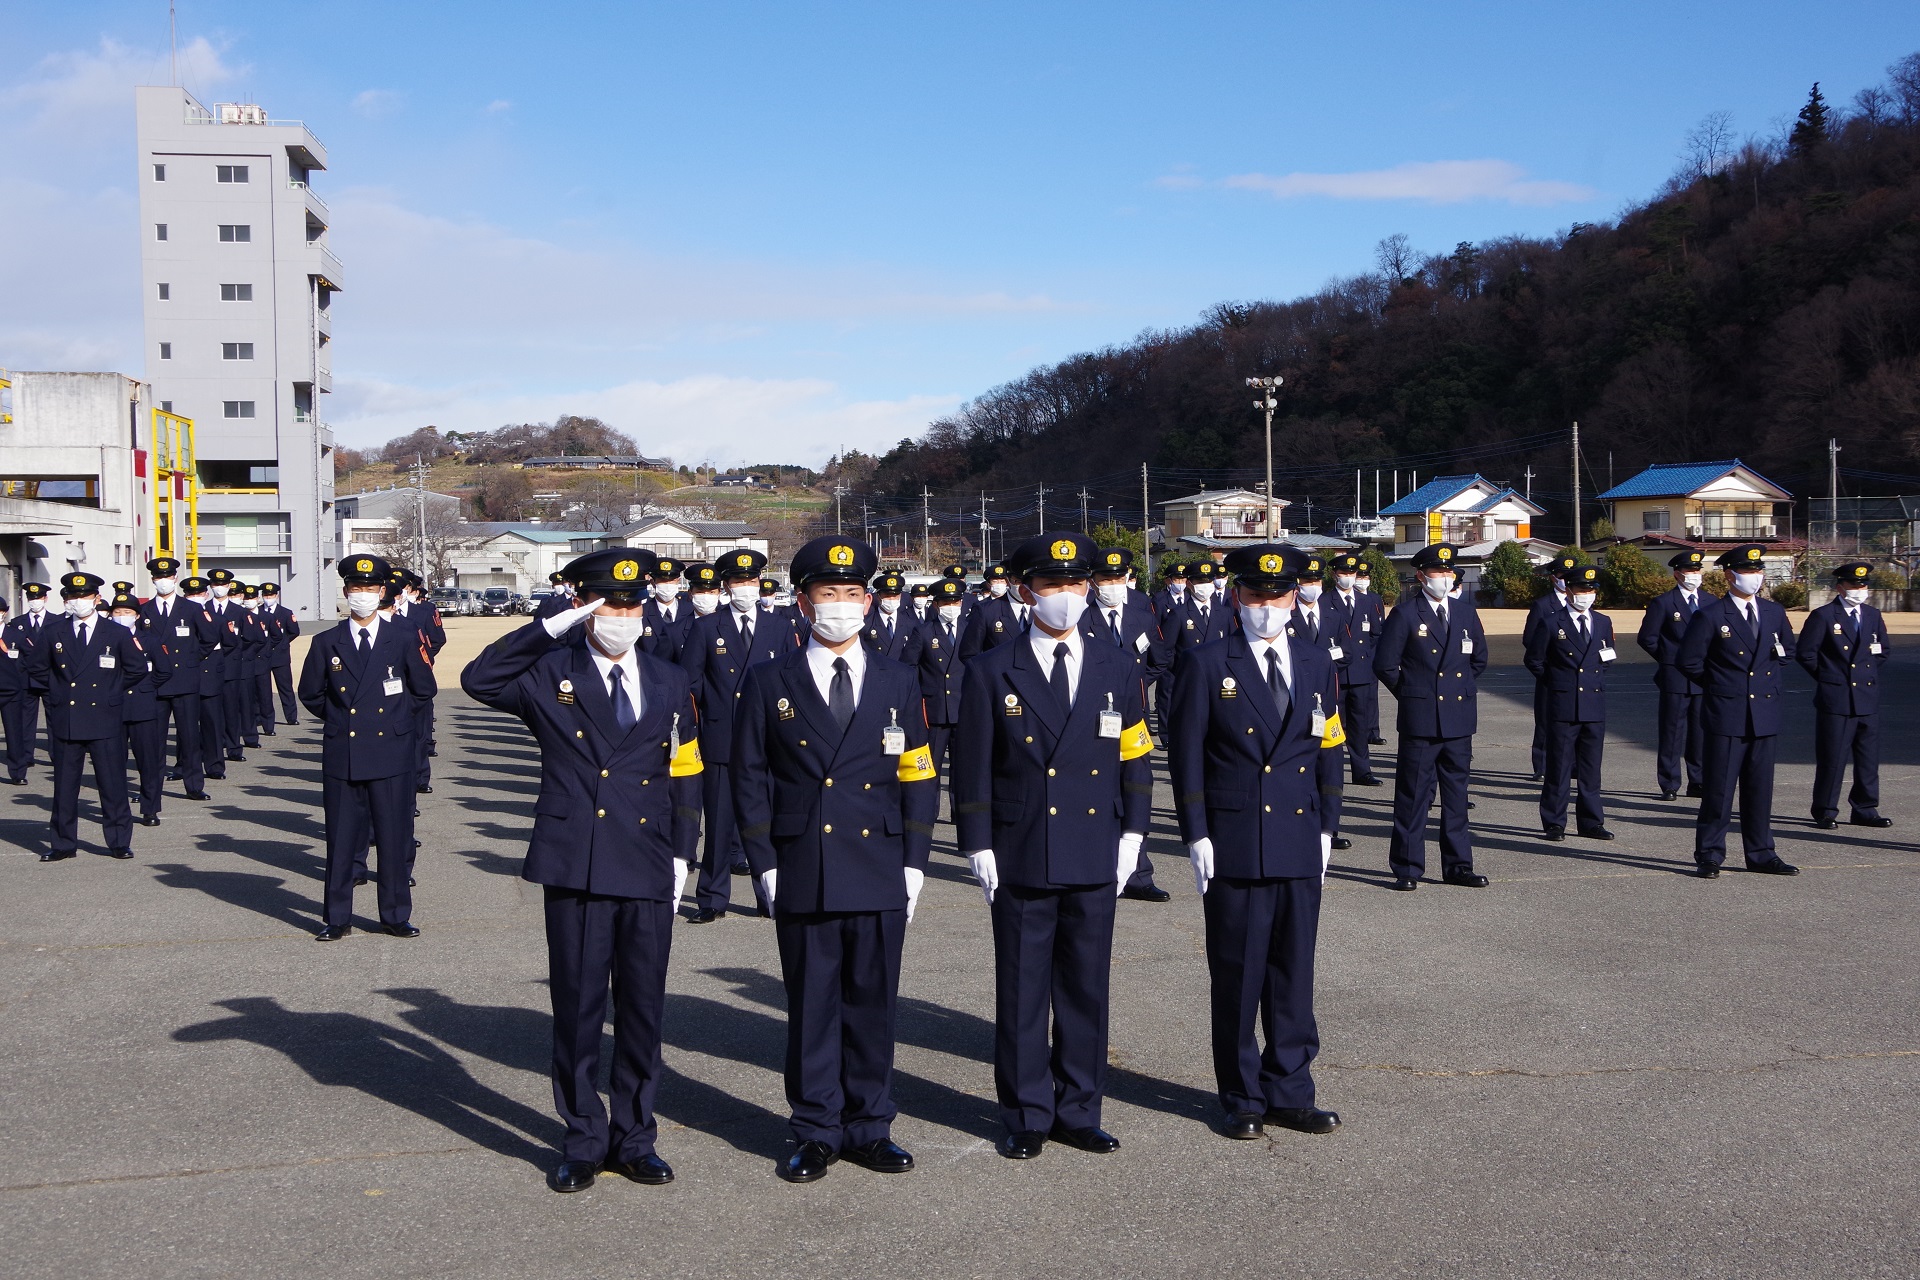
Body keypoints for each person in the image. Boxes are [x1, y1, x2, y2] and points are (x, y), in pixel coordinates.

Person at [461, 546, 703, 1193]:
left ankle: (635, 1137)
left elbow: (686, 769)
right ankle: (582, 1135)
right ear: (586, 607)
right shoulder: (550, 674)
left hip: (650, 863)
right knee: (577, 1009)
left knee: (644, 1010)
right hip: (579, 866)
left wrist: (684, 852)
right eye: (608, 603)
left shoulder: (670, 678)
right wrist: (549, 627)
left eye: (631, 603)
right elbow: (478, 679)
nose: (622, 614)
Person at [731, 536, 939, 1183]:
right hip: (804, 864)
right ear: (803, 602)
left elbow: (919, 773)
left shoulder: (899, 679)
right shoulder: (770, 681)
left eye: (853, 594)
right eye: (829, 594)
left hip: (879, 862)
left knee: (874, 1004)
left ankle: (871, 1126)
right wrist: (762, 860)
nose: (842, 605)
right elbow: (749, 774)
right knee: (813, 1004)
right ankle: (816, 1129)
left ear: (870, 602)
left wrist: (916, 859)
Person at [953, 533, 1153, 1159]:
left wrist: (1134, 834)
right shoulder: (992, 669)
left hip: (1094, 842)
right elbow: (971, 767)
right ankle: (1025, 1111)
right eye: (1051, 585)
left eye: (1076, 584)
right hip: (1022, 845)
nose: (1066, 596)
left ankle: (1079, 1108)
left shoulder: (1116, 665)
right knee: (1022, 987)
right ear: (1023, 591)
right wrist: (977, 843)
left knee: (1086, 987)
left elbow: (1135, 757)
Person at [1168, 545, 1345, 1141]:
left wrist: (1327, 826)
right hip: (1235, 836)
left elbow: (1328, 750)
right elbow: (1186, 755)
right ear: (1236, 597)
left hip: (1297, 835)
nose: (1267, 607)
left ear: (1296, 596)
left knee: (1294, 971)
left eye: (1279, 595)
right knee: (1239, 973)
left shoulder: (1318, 663)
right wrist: (1196, 833)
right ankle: (1242, 1095)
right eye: (1255, 595)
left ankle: (1291, 1089)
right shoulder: (1206, 661)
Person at [297, 555, 437, 939]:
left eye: (369, 589)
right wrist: (344, 719)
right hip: (344, 751)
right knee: (341, 841)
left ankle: (394, 914)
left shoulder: (403, 637)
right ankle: (337, 917)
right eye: (355, 589)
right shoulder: (327, 642)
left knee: (394, 838)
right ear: (346, 593)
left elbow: (424, 689)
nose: (362, 595)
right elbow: (309, 692)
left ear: (381, 593)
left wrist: (393, 721)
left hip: (390, 752)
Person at [678, 547, 804, 922]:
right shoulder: (706, 628)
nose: (745, 588)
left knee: (769, 822)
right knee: (718, 826)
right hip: (721, 739)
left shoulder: (780, 626)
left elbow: (792, 681)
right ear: (726, 586)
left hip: (768, 741)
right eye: (738, 581)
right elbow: (690, 684)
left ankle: (772, 896)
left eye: (751, 581)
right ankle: (712, 899)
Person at [1677, 544, 1798, 878]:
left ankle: (1761, 853)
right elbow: (1689, 661)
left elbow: (1786, 651)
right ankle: (1710, 854)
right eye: (1748, 571)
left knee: (1759, 790)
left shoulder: (1773, 612)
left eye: (1758, 571)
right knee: (1719, 789)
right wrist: (1720, 685)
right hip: (1727, 713)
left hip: (1765, 714)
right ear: (1730, 575)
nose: (1755, 577)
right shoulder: (1712, 615)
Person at [1374, 544, 1490, 891]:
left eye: (1449, 572)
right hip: (1421, 719)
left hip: (1457, 719)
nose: (1444, 577)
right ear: (1422, 576)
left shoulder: (1466, 613)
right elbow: (1385, 664)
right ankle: (1408, 867)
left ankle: (1458, 865)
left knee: (1456, 797)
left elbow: (1478, 660)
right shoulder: (1406, 614)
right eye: (1438, 572)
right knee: (1413, 796)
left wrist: (1458, 694)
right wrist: (1414, 695)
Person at [26, 572, 149, 861]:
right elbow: (37, 668)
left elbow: (136, 669)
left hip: (104, 717)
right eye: (71, 596)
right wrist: (57, 693)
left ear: (96, 598)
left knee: (112, 783)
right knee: (65, 786)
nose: (77, 601)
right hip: (67, 716)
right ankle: (63, 843)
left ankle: (119, 840)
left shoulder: (115, 632)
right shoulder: (54, 631)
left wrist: (110, 693)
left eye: (83, 596)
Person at [1082, 547, 1169, 899]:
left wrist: (1132, 686)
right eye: (1106, 579)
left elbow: (1159, 659)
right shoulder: (1081, 617)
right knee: (1092, 791)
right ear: (1093, 582)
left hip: (1133, 718)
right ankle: (1094, 868)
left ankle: (1138, 874)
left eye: (1119, 578)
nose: (1113, 585)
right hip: (1090, 718)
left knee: (1136, 788)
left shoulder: (1142, 616)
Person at [1796, 561, 1891, 831]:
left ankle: (1865, 808)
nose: (1860, 589)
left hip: (1867, 697)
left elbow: (1882, 651)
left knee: (1867, 758)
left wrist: (1864, 677)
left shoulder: (1872, 614)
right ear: (1840, 587)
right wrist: (1830, 678)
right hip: (1836, 697)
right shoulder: (1824, 616)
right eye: (1854, 585)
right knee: (1833, 757)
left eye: (1863, 585)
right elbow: (1806, 653)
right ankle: (1825, 809)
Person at [1524, 564, 1616, 841]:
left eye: (1590, 590)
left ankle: (1591, 822)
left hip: (1593, 703)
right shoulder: (1552, 622)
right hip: (1563, 704)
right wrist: (1558, 683)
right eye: (1580, 589)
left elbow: (1608, 657)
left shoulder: (1602, 622)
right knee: (1559, 766)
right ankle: (1554, 821)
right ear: (1569, 590)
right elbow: (1534, 660)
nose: (1586, 594)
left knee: (1590, 768)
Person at [1637, 550, 1708, 801]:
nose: (1695, 575)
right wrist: (1669, 658)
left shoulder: (1711, 602)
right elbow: (1647, 638)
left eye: (1698, 570)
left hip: (1702, 678)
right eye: (1690, 571)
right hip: (1675, 676)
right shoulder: (1664, 603)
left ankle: (1698, 780)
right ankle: (1669, 782)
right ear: (1678, 574)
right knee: (1672, 732)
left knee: (1700, 733)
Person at [109, 591, 171, 827]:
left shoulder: (150, 641)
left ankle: (150, 808)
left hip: (143, 706)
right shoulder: (107, 639)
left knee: (148, 760)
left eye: (127, 613)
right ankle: (117, 808)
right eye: (117, 612)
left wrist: (147, 688)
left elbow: (164, 671)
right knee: (114, 760)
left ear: (136, 616)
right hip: (114, 705)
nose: (122, 616)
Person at [1322, 553, 1384, 787]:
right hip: (1335, 673)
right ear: (1334, 574)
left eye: (1352, 573)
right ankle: (1332, 772)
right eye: (1344, 573)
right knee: (1334, 725)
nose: (1349, 577)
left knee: (1360, 725)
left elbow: (1376, 633)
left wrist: (1368, 660)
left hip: (1361, 673)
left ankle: (1362, 770)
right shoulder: (1324, 601)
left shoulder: (1367, 601)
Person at [1520, 555, 1577, 782]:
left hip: (1575, 674)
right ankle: (1541, 765)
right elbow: (1530, 639)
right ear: (1553, 578)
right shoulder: (1543, 605)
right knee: (1545, 720)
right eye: (1563, 576)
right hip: (1551, 670)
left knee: (1575, 720)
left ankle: (1572, 765)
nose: (1566, 581)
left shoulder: (1580, 601)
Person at [915, 578, 969, 797]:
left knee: (963, 769)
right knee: (932, 769)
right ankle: (929, 813)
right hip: (935, 710)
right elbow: (910, 666)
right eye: (946, 602)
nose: (951, 607)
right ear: (936, 605)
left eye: (955, 601)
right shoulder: (924, 631)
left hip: (963, 707)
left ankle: (960, 814)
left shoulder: (971, 628)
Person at [179, 577, 233, 779]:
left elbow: (230, 643)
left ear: (206, 594)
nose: (194, 598)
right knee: (185, 725)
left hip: (209, 676)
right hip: (184, 677)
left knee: (211, 723)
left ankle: (215, 765)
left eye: (198, 594)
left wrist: (212, 658)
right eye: (190, 595)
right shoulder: (178, 617)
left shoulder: (215, 618)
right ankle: (181, 764)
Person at [4, 582, 58, 779]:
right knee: (25, 719)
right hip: (26, 678)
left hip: (49, 676)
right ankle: (26, 755)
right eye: (31, 598)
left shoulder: (56, 620)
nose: (34, 601)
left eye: (38, 598)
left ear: (45, 598)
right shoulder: (17, 622)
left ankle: (56, 754)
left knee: (54, 718)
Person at [256, 581, 301, 727]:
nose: (268, 597)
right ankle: (260, 717)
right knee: (262, 689)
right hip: (262, 656)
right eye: (266, 595)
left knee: (285, 688)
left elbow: (294, 631)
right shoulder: (257, 612)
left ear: (277, 595)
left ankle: (291, 717)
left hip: (280, 656)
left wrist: (282, 643)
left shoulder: (286, 613)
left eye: (271, 595)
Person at [959, 563, 1025, 659]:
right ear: (1009, 581)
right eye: (1018, 581)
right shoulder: (984, 610)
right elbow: (970, 653)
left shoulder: (1041, 609)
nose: (1024, 586)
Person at [1, 596, 33, 785]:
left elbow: (32, 656)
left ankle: (18, 772)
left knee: (14, 733)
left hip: (12, 691)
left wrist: (21, 677)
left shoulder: (15, 635)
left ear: (4, 613)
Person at [640, 557, 694, 666]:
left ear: (678, 581)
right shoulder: (641, 612)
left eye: (672, 580)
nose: (668, 584)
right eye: (663, 580)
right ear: (653, 582)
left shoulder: (691, 611)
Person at [862, 572, 918, 663]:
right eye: (887, 596)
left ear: (900, 596)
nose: (892, 600)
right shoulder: (866, 623)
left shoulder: (911, 623)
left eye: (895, 596)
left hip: (902, 673)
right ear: (878, 597)